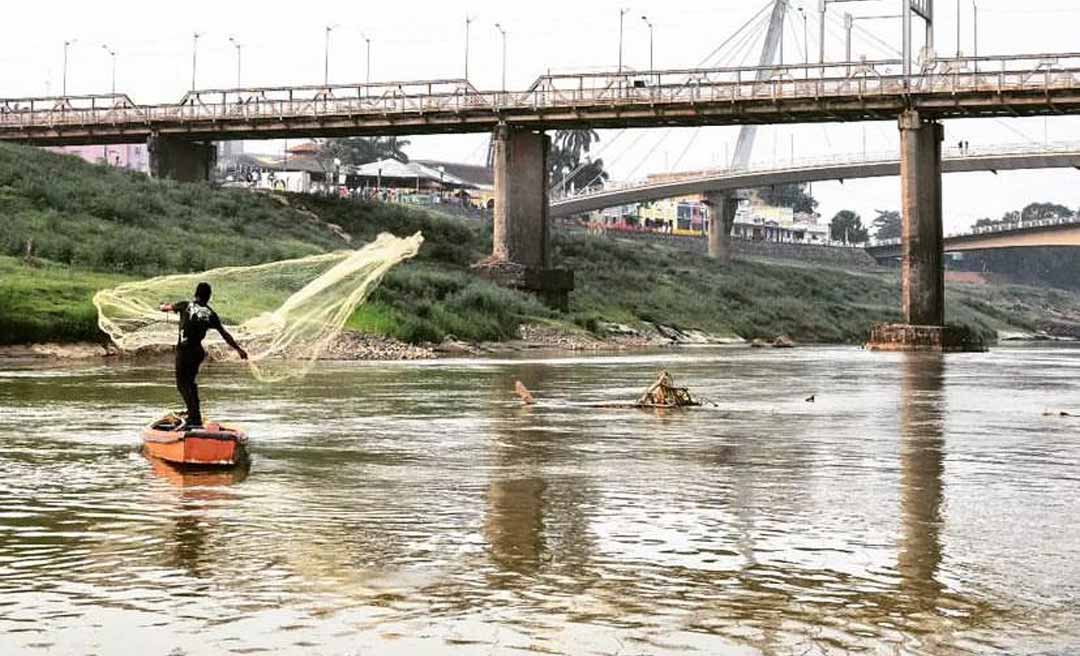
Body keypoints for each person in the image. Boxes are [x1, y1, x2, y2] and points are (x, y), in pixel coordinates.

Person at [160, 282, 247, 428]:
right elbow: (224, 334)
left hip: (185, 351)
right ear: (208, 297)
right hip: (197, 352)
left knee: (182, 384)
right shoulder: (210, 313)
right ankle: (194, 414)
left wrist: (163, 306)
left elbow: (165, 309)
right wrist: (238, 349)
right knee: (191, 383)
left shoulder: (185, 305)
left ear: (196, 294)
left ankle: (193, 418)